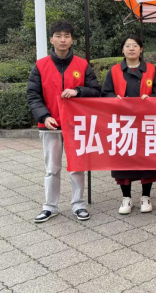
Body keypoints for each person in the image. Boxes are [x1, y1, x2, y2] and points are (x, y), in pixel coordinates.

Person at [27, 21, 101, 223]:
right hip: (50, 126)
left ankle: (78, 204)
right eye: (58, 36)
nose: (63, 40)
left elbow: (96, 91)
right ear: (51, 39)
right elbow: (33, 96)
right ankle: (50, 206)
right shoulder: (40, 66)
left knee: (77, 167)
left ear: (72, 40)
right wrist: (44, 116)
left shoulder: (82, 65)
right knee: (52, 169)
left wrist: (78, 91)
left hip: (76, 126)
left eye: (66, 36)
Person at [101, 35, 156, 215]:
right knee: (123, 158)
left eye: (135, 45)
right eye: (127, 45)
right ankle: (126, 197)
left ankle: (146, 196)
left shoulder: (151, 69)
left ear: (141, 49)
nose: (131, 48)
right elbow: (105, 93)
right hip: (123, 123)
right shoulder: (114, 71)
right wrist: (115, 99)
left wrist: (150, 98)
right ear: (122, 49)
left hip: (146, 122)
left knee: (147, 158)